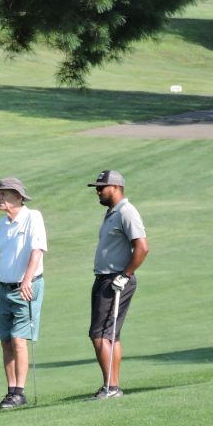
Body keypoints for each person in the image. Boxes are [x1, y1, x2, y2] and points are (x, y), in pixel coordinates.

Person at [87, 169, 149, 398]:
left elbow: (142, 247)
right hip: (105, 278)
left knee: (100, 334)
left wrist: (125, 274)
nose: (97, 191)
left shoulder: (126, 212)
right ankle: (112, 385)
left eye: (101, 187)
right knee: (110, 335)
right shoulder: (112, 213)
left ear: (115, 187)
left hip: (115, 279)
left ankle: (111, 387)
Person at [0, 177, 47, 410]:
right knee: (5, 340)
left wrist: (27, 280)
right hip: (4, 289)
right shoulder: (1, 225)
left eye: (4, 193)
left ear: (19, 197)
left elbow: (38, 250)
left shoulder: (33, 217)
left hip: (26, 287)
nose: (0, 198)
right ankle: (11, 391)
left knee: (18, 339)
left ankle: (20, 392)